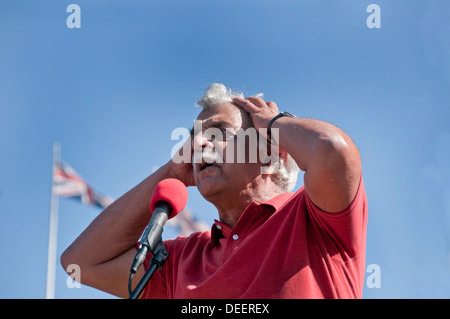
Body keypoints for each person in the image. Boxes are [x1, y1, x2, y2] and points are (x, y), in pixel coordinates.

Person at [61, 83, 367, 299]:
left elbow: (333, 151)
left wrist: (275, 123)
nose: (199, 145)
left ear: (271, 153)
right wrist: (171, 172)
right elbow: (80, 263)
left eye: (219, 133)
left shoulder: (315, 219)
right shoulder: (181, 260)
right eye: (194, 139)